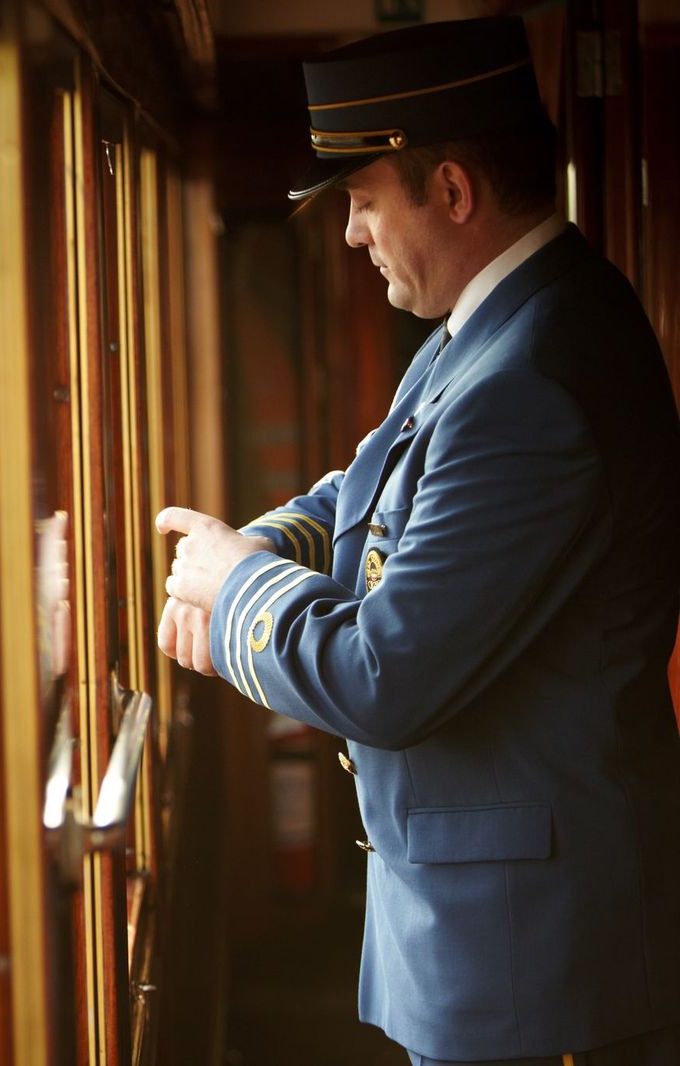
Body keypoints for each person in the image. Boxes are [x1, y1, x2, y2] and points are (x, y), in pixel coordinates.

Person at [155, 17, 680, 1066]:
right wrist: (243, 552)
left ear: (450, 191)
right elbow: (363, 487)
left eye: (359, 200)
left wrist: (239, 583)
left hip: (534, 964)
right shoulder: (494, 330)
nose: (349, 234)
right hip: (500, 936)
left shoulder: (529, 376)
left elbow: (381, 674)